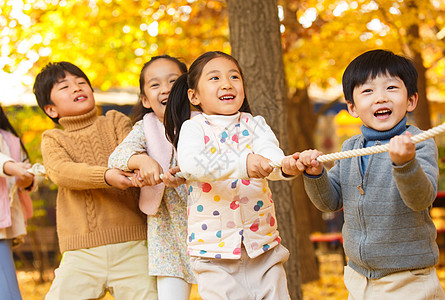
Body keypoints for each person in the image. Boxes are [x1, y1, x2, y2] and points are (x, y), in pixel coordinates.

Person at [283, 49, 445, 299]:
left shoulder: (418, 144)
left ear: (411, 100)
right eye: (368, 91)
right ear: (352, 107)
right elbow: (330, 201)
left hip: (409, 279)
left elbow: (421, 199)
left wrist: (405, 163)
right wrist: (316, 174)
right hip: (360, 279)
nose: (380, 98)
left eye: (391, 88)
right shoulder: (350, 148)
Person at [164, 51, 292, 299]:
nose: (227, 83)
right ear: (194, 95)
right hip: (214, 253)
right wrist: (244, 163)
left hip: (263, 248)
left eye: (234, 76)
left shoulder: (255, 125)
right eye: (215, 78)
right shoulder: (194, 128)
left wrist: (287, 167)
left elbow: (272, 159)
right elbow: (192, 164)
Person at [33, 62, 157, 299]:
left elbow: (133, 152)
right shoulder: (53, 138)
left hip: (132, 244)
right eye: (64, 86)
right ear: (51, 110)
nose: (77, 88)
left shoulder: (115, 121)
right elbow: (60, 171)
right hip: (81, 252)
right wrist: (106, 176)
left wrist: (139, 166)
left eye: (81, 83)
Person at [108, 55, 195, 300]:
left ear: (190, 91)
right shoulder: (146, 127)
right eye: (155, 85)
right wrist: (142, 160)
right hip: (166, 227)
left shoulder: (202, 122)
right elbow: (118, 156)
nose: (166, 88)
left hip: (207, 222)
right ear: (145, 99)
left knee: (219, 289)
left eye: (173, 81)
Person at [0, 104, 35, 300]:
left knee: (7, 291)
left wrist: (27, 179)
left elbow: (26, 173)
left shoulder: (10, 139)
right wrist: (10, 167)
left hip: (3, 224)